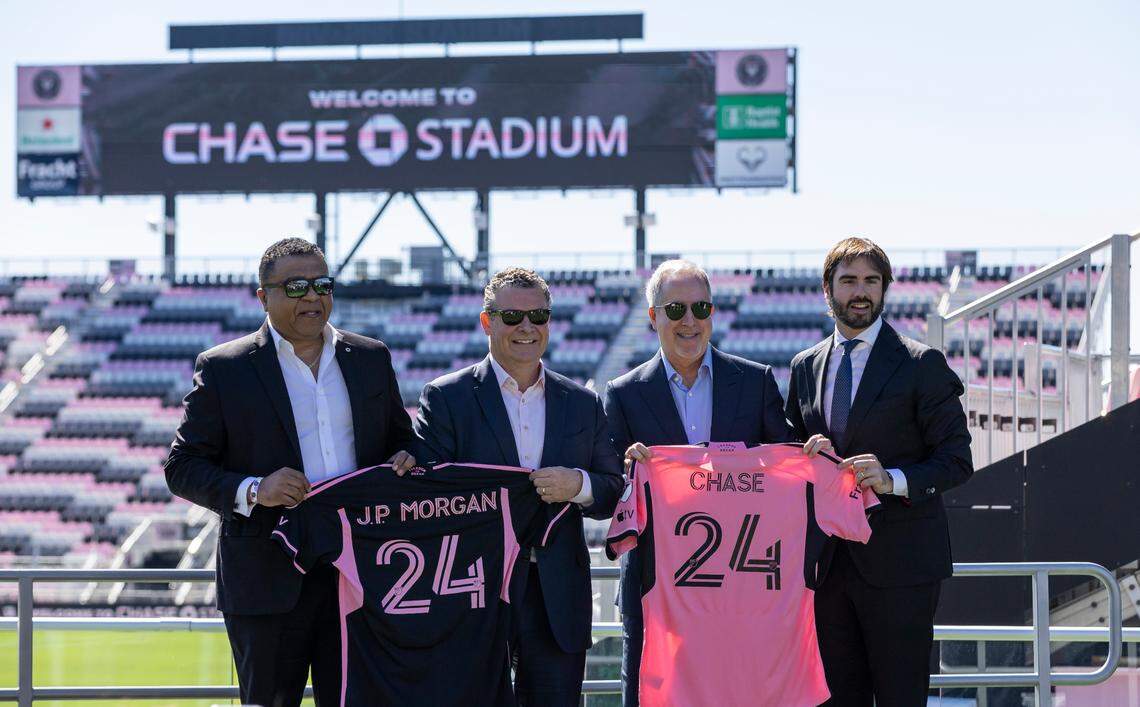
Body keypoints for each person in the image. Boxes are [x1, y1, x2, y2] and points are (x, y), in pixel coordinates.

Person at [164, 237, 417, 707]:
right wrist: (256, 489)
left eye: (322, 284)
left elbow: (400, 440)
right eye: (296, 286)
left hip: (362, 574)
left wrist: (406, 457)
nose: (312, 296)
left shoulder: (370, 357)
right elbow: (181, 468)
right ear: (264, 296)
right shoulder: (225, 368)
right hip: (267, 578)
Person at [413, 267, 623, 707]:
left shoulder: (582, 402)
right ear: (487, 321)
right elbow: (426, 493)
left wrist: (577, 485)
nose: (526, 327)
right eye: (512, 317)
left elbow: (610, 489)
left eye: (538, 316)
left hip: (556, 592)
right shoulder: (446, 397)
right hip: (471, 589)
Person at [787, 237, 973, 706]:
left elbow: (957, 460)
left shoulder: (921, 364)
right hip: (826, 568)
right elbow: (787, 456)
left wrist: (893, 479)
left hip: (902, 566)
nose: (861, 291)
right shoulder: (803, 368)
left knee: (900, 698)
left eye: (871, 280)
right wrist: (802, 455)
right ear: (827, 290)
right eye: (848, 281)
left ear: (886, 289)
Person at [603, 259, 794, 706]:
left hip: (740, 592)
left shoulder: (756, 381)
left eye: (700, 307)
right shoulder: (623, 393)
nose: (689, 321)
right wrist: (629, 475)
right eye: (675, 309)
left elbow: (787, 473)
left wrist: (809, 455)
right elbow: (608, 489)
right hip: (655, 594)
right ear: (653, 317)